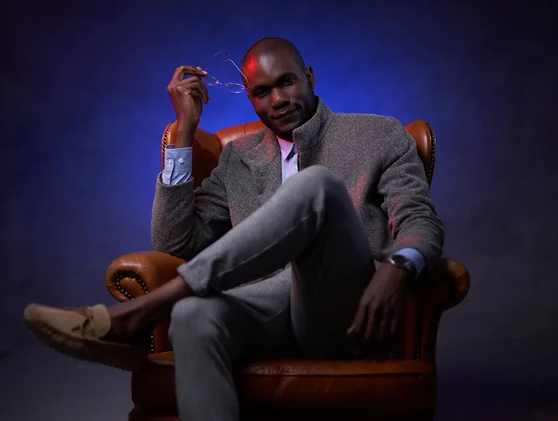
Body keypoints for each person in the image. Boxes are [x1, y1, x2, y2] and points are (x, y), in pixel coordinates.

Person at [24, 37, 444, 421]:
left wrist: (396, 267)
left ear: (309, 77)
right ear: (249, 98)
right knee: (191, 316)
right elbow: (175, 242)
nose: (277, 100)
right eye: (261, 92)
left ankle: (139, 314)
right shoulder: (236, 159)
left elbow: (418, 219)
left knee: (315, 185)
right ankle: (171, 305)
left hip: (343, 314)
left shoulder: (377, 134)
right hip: (263, 315)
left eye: (287, 82)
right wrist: (184, 133)